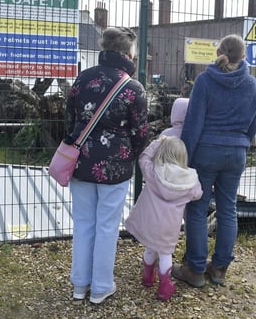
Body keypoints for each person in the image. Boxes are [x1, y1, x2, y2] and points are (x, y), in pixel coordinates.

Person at [64, 26, 149, 304]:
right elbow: (141, 133)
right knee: (107, 227)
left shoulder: (82, 78)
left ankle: (79, 285)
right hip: (115, 167)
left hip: (80, 162)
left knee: (84, 224)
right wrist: (128, 154)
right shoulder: (133, 88)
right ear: (128, 53)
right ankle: (101, 287)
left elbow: (69, 121)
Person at [173, 34, 256, 288]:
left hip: (205, 153)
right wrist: (240, 144)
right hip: (236, 154)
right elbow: (253, 125)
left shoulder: (204, 81)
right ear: (244, 56)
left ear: (218, 52)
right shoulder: (253, 85)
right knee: (227, 209)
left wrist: (185, 157)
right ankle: (220, 269)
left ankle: (196, 269)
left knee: (198, 209)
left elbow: (193, 123)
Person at [124, 136, 202, 301]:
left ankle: (147, 277)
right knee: (166, 254)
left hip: (150, 223)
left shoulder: (153, 172)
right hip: (169, 227)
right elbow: (198, 194)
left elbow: (143, 157)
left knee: (150, 248)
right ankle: (164, 287)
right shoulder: (190, 181)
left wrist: (158, 141)